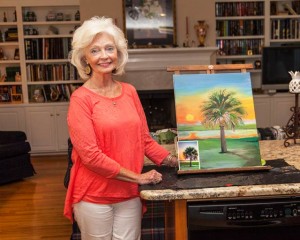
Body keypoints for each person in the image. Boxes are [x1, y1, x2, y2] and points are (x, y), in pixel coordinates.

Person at [64, 16, 178, 240]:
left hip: (127, 193)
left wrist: (176, 160)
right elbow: (91, 157)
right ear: (85, 58)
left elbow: (144, 140)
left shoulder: (130, 92)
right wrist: (139, 178)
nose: (104, 56)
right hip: (93, 195)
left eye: (109, 48)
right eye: (95, 51)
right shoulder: (81, 99)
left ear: (118, 53)